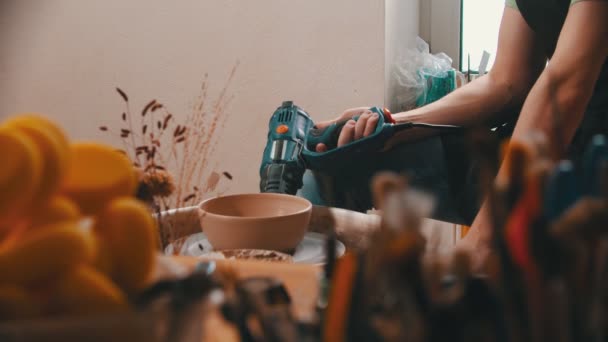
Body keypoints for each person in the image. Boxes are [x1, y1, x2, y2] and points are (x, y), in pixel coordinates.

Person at [299, 0, 608, 269]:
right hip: (542, 146)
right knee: (332, 170)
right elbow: (506, 82)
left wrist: (485, 239)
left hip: (590, 167)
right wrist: (394, 126)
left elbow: (567, 87)